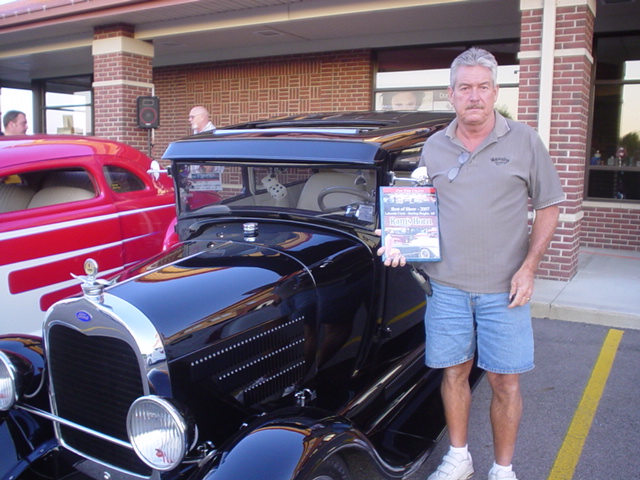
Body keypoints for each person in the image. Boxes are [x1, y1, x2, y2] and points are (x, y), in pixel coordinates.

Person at [379, 48, 564, 480]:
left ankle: (503, 469)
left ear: (495, 92)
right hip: (447, 288)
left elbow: (551, 206)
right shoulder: (434, 146)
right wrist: (403, 243)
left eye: (483, 87)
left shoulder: (524, 140)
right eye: (465, 88)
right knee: (454, 372)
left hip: (507, 290)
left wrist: (531, 266)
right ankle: (459, 457)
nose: (474, 96)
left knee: (505, 382)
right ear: (452, 94)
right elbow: (421, 208)